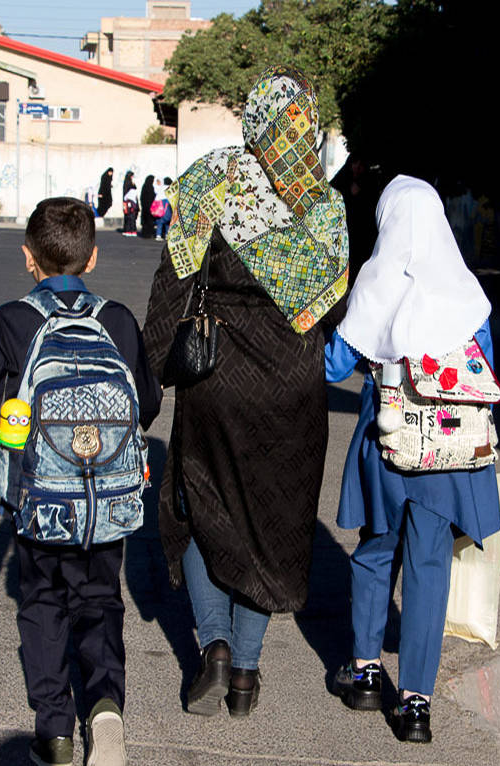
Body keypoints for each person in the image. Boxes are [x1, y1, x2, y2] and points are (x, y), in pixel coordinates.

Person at [142, 66, 349, 718]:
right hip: (292, 390)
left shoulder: (214, 175)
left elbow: (175, 275)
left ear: (254, 120)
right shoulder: (325, 204)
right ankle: (248, 673)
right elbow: (334, 313)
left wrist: (153, 363)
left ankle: (218, 645)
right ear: (307, 125)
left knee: (202, 506)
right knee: (275, 522)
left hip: (217, 377)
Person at [0, 197, 162, 766]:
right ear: (93, 258)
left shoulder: (11, 321)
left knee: (43, 604)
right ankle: (105, 706)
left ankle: (55, 737)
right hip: (105, 499)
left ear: (28, 258)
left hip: (38, 499)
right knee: (99, 600)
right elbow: (146, 402)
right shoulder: (117, 319)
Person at [323, 174, 500, 744]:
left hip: (389, 441)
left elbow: (332, 366)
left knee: (376, 550)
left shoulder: (375, 286)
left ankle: (367, 671)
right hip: (447, 452)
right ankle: (417, 705)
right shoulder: (467, 295)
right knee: (429, 566)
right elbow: (487, 375)